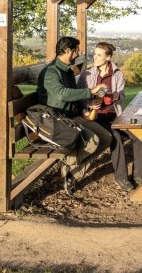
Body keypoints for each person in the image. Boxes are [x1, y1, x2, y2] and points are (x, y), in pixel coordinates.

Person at [37, 36, 113, 195]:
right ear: (67, 51)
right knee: (93, 142)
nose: (78, 54)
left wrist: (83, 110)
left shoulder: (68, 70)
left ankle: (72, 173)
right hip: (59, 119)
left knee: (106, 137)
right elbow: (61, 94)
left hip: (73, 116)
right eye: (76, 51)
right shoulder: (51, 72)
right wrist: (90, 91)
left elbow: (74, 96)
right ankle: (69, 163)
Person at [77, 42, 142, 192]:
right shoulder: (86, 74)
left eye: (99, 55)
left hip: (115, 116)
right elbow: (79, 98)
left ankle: (139, 175)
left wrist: (113, 96)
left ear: (108, 57)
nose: (95, 57)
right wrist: (88, 106)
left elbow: (121, 98)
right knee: (115, 137)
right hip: (95, 118)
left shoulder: (117, 74)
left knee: (139, 135)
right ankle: (121, 178)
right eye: (94, 54)